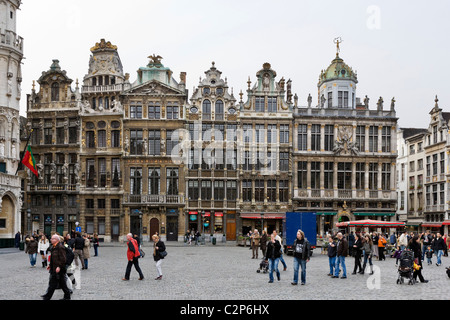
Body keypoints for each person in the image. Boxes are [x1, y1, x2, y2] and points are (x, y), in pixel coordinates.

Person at [41, 234, 72, 300]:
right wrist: (50, 265)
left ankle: (48, 297)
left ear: (56, 240)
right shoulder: (54, 247)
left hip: (59, 269)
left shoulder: (60, 247)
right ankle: (48, 296)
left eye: (52, 239)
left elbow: (63, 259)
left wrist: (59, 267)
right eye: (51, 238)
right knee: (57, 283)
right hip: (54, 268)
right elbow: (53, 258)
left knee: (58, 284)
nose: (51, 240)